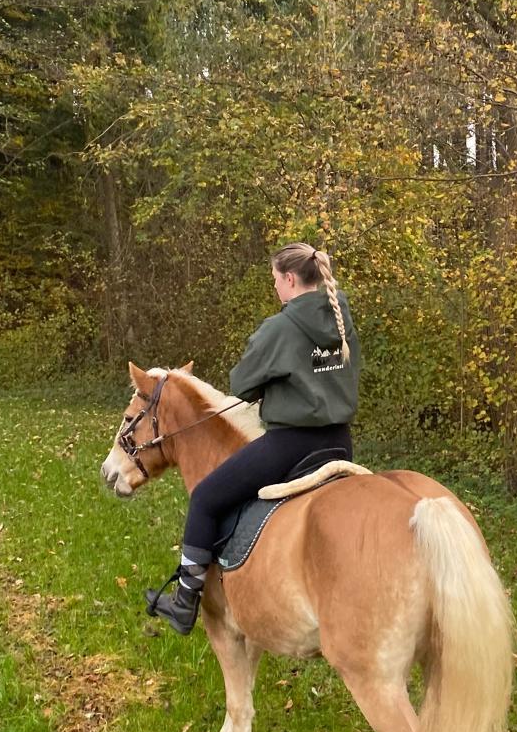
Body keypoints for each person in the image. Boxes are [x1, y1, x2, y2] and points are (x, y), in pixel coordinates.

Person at [146, 242, 361, 634]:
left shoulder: (281, 328)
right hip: (340, 442)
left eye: (275, 279)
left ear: (290, 278)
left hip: (291, 445)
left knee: (206, 498)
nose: (275, 287)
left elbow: (242, 384)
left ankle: (184, 603)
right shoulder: (340, 317)